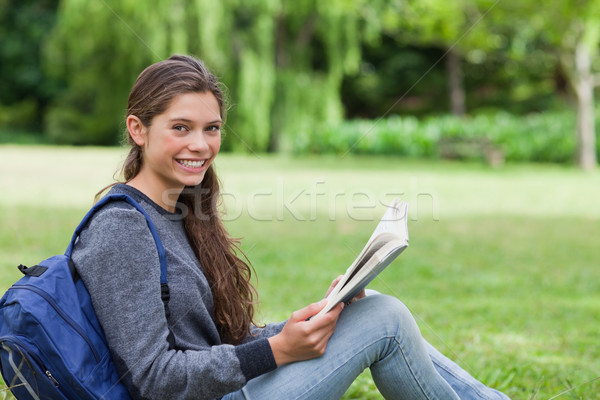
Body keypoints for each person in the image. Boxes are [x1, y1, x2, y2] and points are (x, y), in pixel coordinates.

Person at [71, 54, 510, 400]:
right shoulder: (122, 229)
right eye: (181, 128)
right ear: (138, 130)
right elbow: (152, 379)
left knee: (366, 304)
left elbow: (218, 342)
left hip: (226, 390)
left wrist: (306, 320)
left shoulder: (180, 211)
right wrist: (276, 351)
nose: (201, 145)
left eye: (212, 128)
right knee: (386, 319)